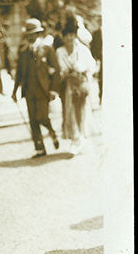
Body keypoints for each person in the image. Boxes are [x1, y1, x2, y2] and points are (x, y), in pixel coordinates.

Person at [14, 18, 61, 158]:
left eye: (33, 33)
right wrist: (14, 91)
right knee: (32, 119)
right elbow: (19, 72)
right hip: (29, 90)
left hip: (43, 89)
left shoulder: (47, 49)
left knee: (42, 116)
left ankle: (52, 132)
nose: (30, 36)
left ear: (39, 34)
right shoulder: (22, 51)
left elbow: (56, 70)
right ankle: (40, 148)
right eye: (28, 34)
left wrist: (53, 90)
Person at [56, 23, 97, 156]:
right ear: (63, 37)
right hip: (67, 85)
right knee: (70, 111)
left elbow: (91, 65)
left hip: (81, 83)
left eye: (72, 35)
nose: (69, 38)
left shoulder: (82, 49)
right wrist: (67, 72)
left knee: (82, 109)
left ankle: (82, 137)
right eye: (67, 35)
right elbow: (59, 69)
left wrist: (81, 69)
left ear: (75, 36)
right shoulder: (60, 51)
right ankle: (76, 139)